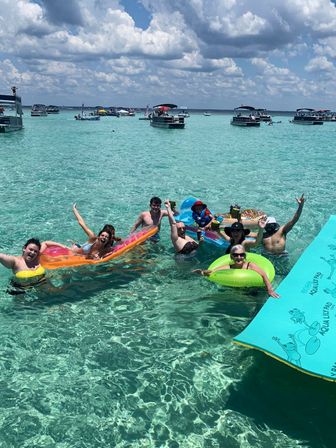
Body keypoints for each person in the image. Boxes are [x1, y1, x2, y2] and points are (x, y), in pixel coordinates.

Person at [194, 244, 280, 298]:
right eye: (236, 255)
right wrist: (202, 272)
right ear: (231, 257)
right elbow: (212, 272)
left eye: (241, 255)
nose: (239, 257)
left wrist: (270, 290)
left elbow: (264, 275)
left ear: (245, 256)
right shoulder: (228, 267)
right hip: (235, 291)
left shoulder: (250, 265)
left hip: (253, 289)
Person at [0, 238, 68, 275]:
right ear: (24, 248)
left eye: (35, 251)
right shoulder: (15, 262)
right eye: (30, 249)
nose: (33, 252)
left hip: (40, 284)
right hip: (20, 289)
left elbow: (46, 243)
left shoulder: (37, 256)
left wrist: (63, 246)